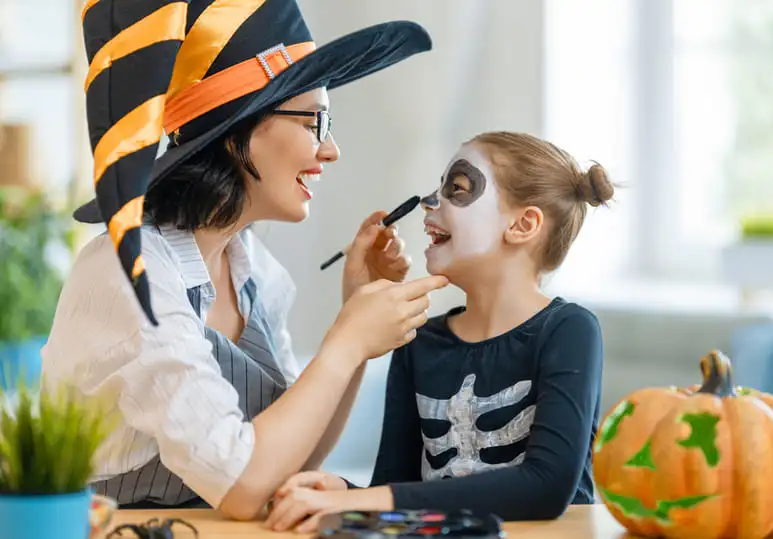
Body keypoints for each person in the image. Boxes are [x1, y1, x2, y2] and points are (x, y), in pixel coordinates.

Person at [40, 0, 448, 521]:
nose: (332, 151)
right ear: (237, 136)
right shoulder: (133, 272)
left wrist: (355, 316)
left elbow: (290, 464)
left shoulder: (255, 270)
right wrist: (347, 341)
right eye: (315, 122)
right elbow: (240, 487)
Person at [266, 131, 612, 531]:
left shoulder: (569, 330)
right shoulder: (419, 341)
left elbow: (546, 486)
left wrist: (365, 498)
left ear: (522, 224)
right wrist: (342, 492)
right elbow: (394, 489)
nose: (429, 202)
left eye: (458, 189)